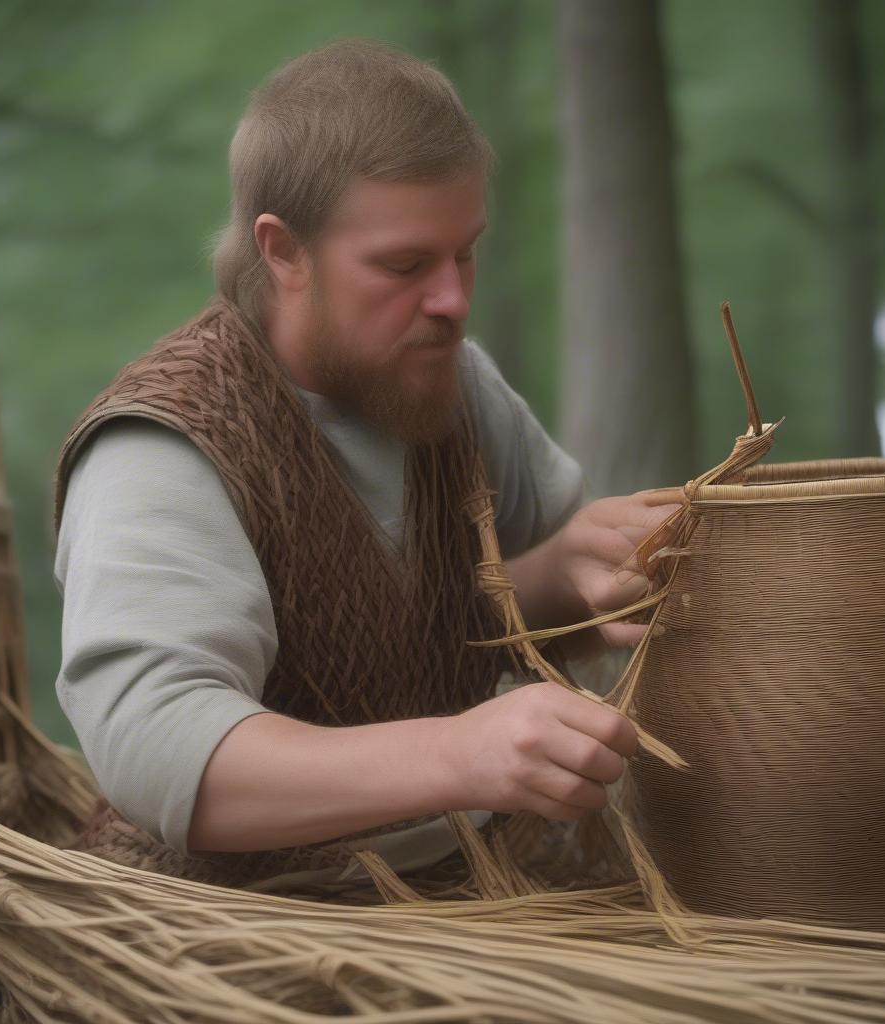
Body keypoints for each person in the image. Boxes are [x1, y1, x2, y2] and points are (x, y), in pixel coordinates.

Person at [52, 39, 681, 891]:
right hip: (232, 929)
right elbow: (163, 746)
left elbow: (419, 625)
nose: (455, 301)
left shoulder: (455, 384)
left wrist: (559, 579)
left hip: (476, 896)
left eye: (465, 252)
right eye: (404, 265)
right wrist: (458, 754)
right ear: (282, 250)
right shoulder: (160, 448)